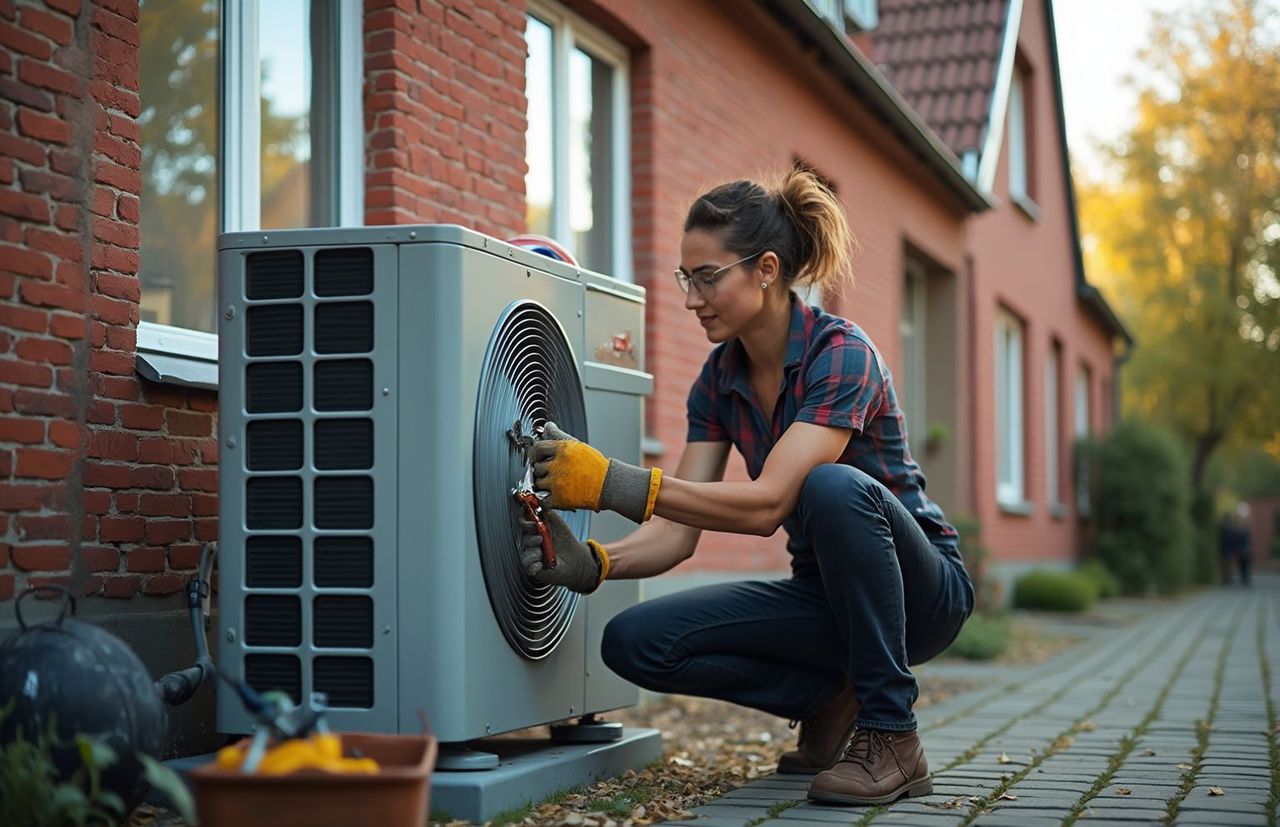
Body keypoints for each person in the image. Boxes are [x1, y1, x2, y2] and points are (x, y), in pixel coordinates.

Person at [518, 169, 975, 806]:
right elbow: (676, 534)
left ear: (765, 269)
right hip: (825, 597)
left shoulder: (841, 353)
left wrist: (611, 483)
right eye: (687, 277)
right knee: (633, 641)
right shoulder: (718, 379)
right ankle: (832, 697)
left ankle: (892, 732)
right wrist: (596, 563)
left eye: (708, 277)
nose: (690, 297)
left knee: (832, 488)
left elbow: (767, 506)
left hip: (921, 593)